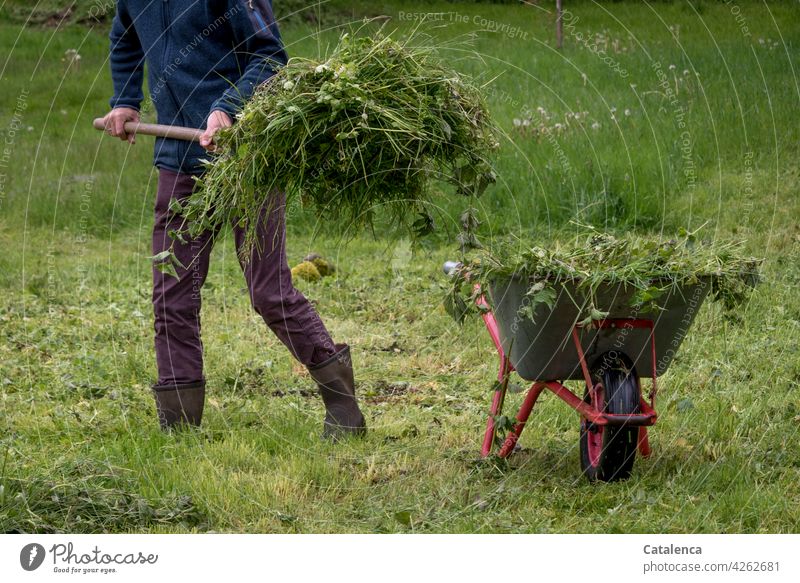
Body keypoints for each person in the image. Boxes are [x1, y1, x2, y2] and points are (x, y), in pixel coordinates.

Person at [101, 0, 365, 440]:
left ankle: (342, 405)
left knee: (270, 293)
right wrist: (125, 100)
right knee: (172, 294)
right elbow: (124, 36)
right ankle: (179, 426)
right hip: (179, 156)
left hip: (248, 160)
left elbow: (269, 56)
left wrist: (229, 108)